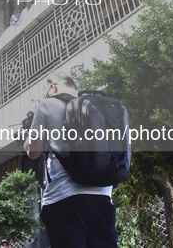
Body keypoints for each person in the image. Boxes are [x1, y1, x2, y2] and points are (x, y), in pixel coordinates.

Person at [24, 71, 117, 247]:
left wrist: (32, 124)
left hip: (64, 199)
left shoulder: (46, 106)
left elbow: (33, 152)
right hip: (103, 197)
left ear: (53, 87)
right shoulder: (99, 104)